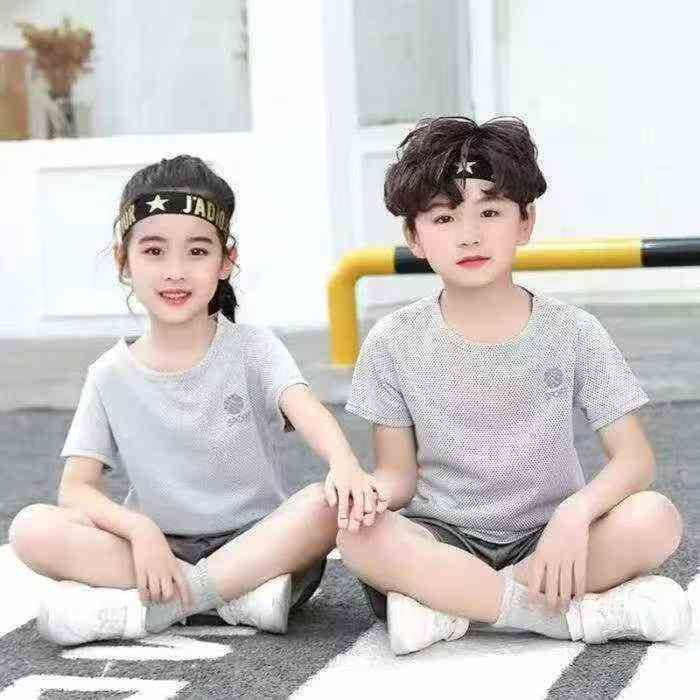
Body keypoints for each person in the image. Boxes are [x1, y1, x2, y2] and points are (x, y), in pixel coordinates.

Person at [336, 116, 692, 655]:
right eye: (444, 217)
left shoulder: (572, 330)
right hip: (442, 540)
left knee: (657, 519)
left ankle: (453, 605)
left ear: (525, 222)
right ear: (414, 237)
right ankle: (557, 616)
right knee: (358, 535)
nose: (469, 234)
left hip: (551, 539)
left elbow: (634, 459)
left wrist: (576, 513)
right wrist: (364, 494)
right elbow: (399, 476)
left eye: (491, 211)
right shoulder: (393, 339)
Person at [9, 155, 385, 647]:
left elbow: (307, 409)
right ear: (124, 261)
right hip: (157, 551)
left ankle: (162, 606)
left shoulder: (253, 347)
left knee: (322, 505)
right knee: (31, 529)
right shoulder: (109, 374)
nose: (175, 271)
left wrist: (345, 464)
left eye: (197, 251)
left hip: (258, 544)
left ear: (226, 261)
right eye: (154, 251)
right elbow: (76, 490)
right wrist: (139, 531)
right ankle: (233, 599)